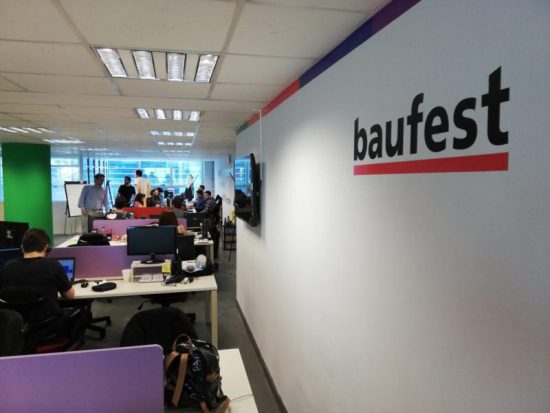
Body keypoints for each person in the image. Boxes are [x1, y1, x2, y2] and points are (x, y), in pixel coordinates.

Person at [0, 228, 75, 301]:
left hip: (14, 310)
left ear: (22, 247)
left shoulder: (7, 267)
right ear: (46, 248)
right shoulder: (53, 266)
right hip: (46, 310)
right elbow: (70, 296)